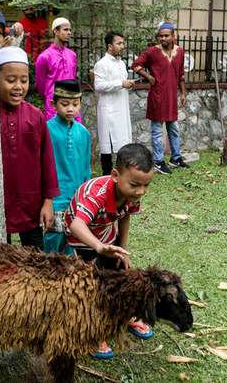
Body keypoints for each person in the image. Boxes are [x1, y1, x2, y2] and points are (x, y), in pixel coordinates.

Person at [65, 143, 154, 358]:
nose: (140, 191)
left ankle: (126, 315)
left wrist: (121, 249)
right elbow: (76, 225)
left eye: (146, 185)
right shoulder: (97, 194)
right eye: (135, 184)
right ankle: (93, 329)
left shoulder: (132, 195)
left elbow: (124, 217)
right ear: (115, 175)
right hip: (83, 238)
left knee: (118, 274)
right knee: (92, 283)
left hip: (105, 233)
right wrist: (98, 247)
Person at [0, 46, 59, 250]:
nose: (18, 87)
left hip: (30, 202)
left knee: (35, 260)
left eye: (23, 80)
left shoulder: (36, 116)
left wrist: (48, 201)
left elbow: (47, 160)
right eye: (10, 80)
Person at [131, 22, 189, 175]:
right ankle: (158, 161)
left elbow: (181, 74)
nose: (163, 38)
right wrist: (148, 77)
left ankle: (175, 158)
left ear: (173, 37)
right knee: (157, 132)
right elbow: (136, 65)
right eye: (160, 36)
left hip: (171, 97)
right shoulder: (152, 52)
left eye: (166, 35)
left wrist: (182, 93)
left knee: (174, 128)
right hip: (157, 96)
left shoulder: (180, 52)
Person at [43, 79, 91, 255]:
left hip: (76, 199)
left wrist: (86, 197)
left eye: (75, 104)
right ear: (53, 103)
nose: (70, 109)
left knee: (73, 241)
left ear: (81, 104)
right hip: (54, 200)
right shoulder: (46, 130)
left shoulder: (83, 133)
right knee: (52, 240)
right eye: (64, 104)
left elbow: (86, 170)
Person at [94, 31, 135, 175]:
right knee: (107, 145)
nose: (122, 46)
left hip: (121, 109)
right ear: (110, 46)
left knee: (123, 142)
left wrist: (127, 84)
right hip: (109, 110)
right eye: (119, 43)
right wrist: (120, 83)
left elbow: (121, 83)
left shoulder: (122, 64)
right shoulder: (102, 64)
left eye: (123, 43)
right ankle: (106, 174)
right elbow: (98, 85)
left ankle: (122, 173)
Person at [35, 18, 81, 124]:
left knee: (75, 136)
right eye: (65, 29)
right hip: (54, 107)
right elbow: (40, 84)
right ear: (56, 31)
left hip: (72, 105)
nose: (69, 32)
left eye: (70, 30)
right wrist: (50, 99)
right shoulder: (44, 57)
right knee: (54, 139)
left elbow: (72, 78)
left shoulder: (72, 55)